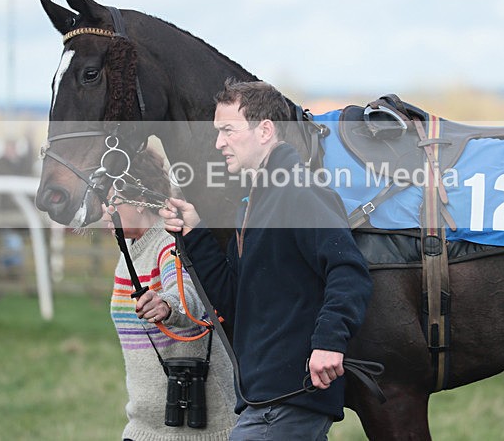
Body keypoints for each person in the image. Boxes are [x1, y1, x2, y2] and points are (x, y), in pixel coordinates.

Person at [160, 80, 373, 440]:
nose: (219, 143)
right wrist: (195, 233)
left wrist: (329, 341)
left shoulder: (300, 189)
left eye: (228, 130)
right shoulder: (253, 202)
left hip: (290, 395)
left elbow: (349, 270)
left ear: (265, 130)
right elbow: (234, 299)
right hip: (263, 396)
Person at [101, 147, 237, 441]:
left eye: (111, 201)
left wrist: (167, 305)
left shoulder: (168, 243)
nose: (105, 211)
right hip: (145, 427)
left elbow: (189, 295)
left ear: (139, 202)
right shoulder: (128, 254)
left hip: (200, 431)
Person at [0, 138, 34, 284]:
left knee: (13, 241)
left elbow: (31, 159)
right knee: (12, 241)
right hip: (4, 214)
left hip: (22, 216)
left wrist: (29, 137)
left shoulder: (21, 164)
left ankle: (10, 272)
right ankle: (12, 272)